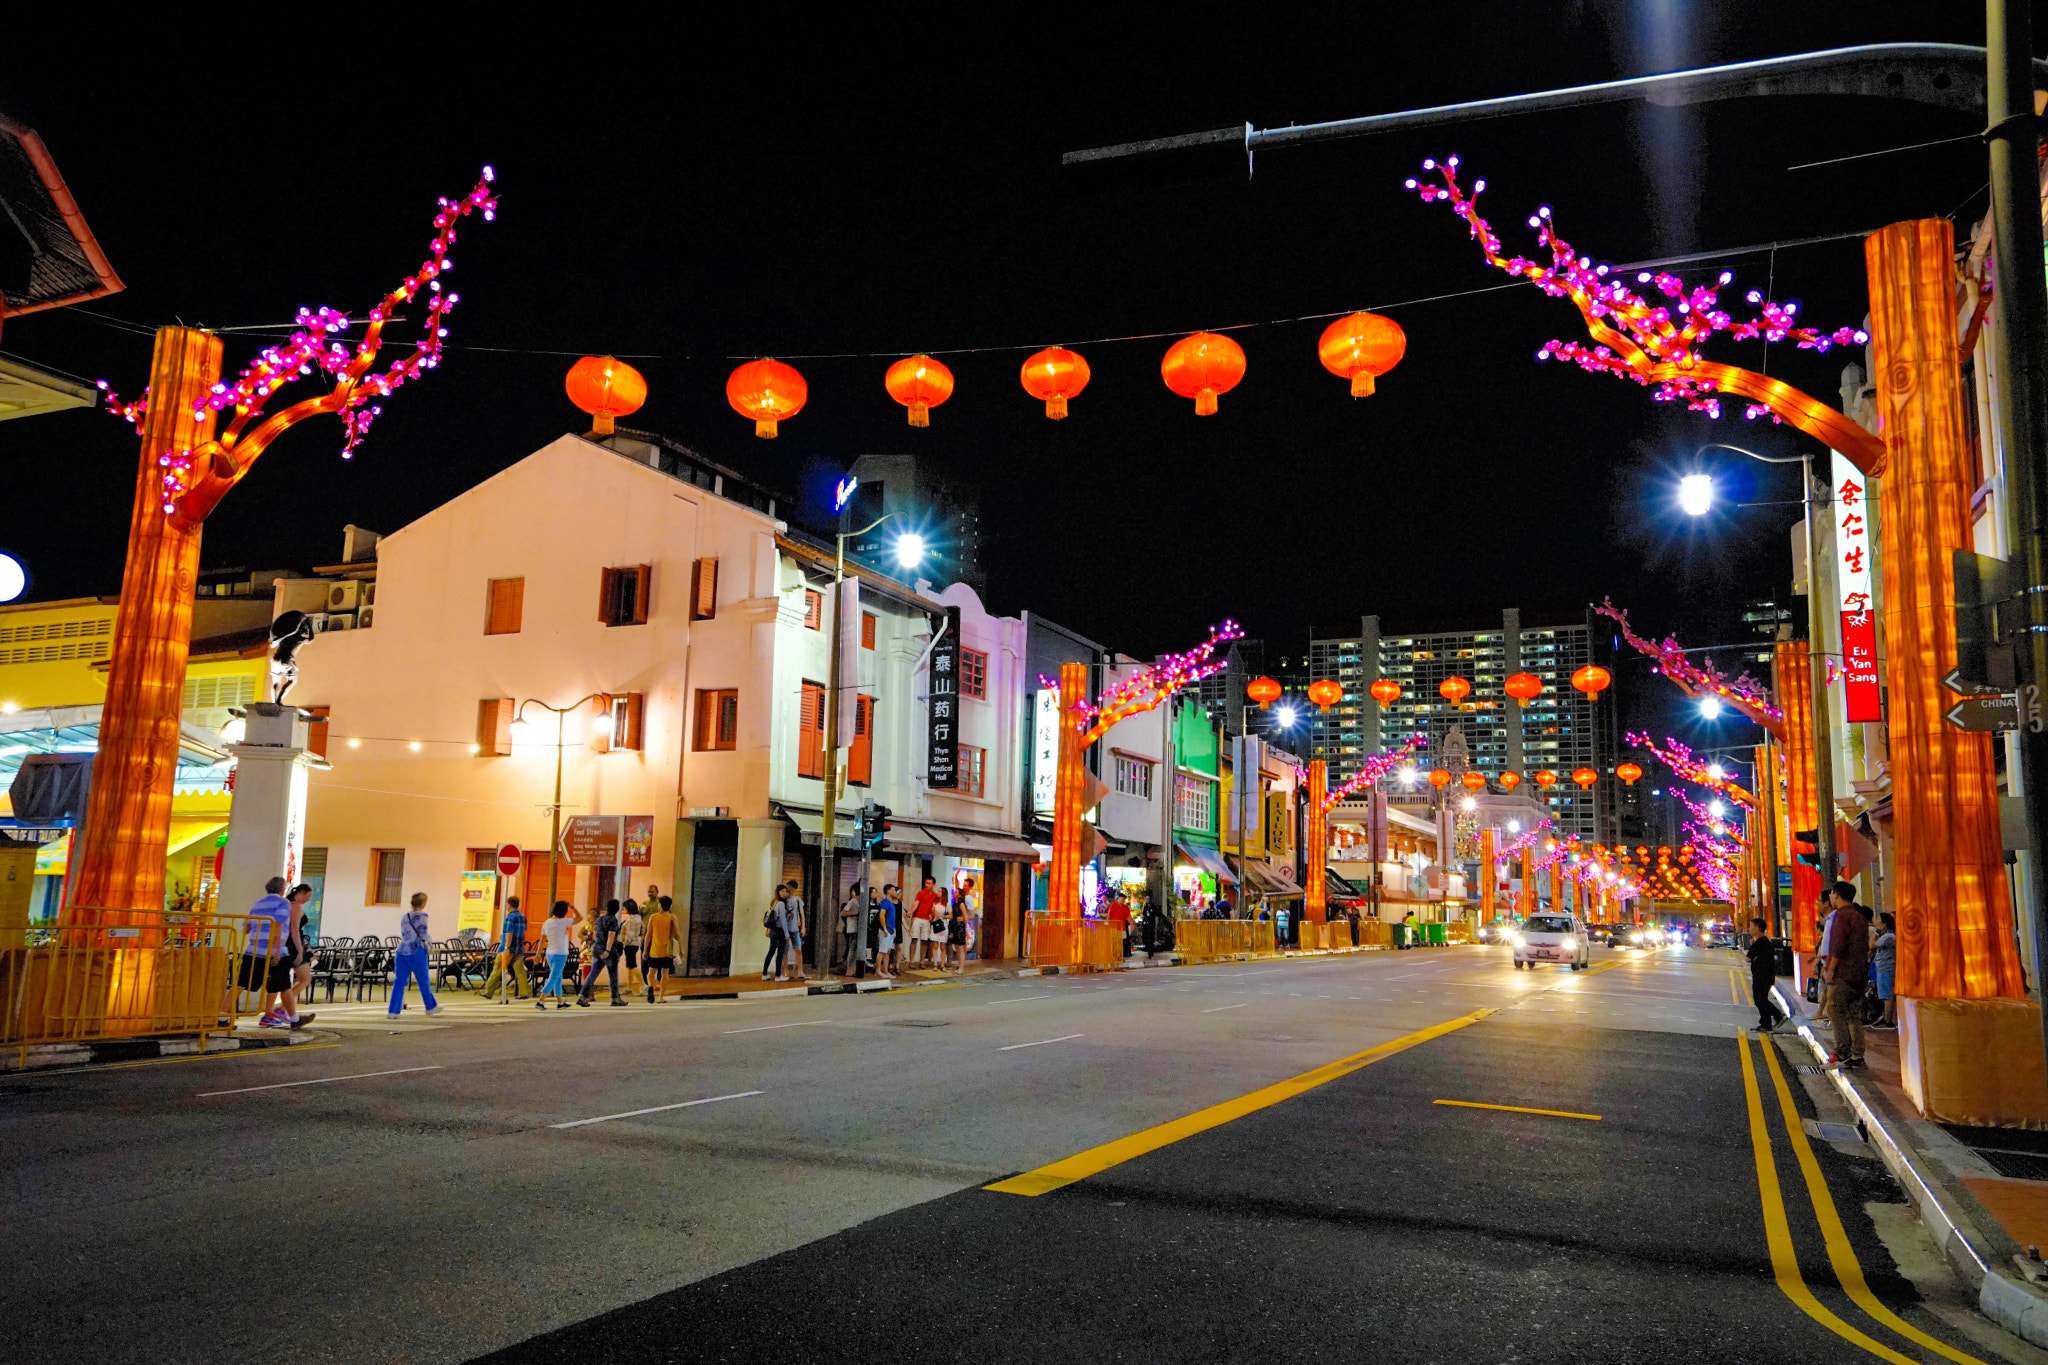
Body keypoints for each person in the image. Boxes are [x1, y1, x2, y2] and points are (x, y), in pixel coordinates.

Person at [223, 875, 295, 1028]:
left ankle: (222, 1016)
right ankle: (294, 1019)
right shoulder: (283, 903)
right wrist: (276, 950)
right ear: (282, 889)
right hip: (274, 952)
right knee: (284, 985)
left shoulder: (257, 903)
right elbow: (278, 925)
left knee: (240, 983)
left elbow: (247, 927)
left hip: (252, 951)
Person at [1819, 881, 1870, 1068]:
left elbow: (1839, 945)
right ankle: (1857, 1056)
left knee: (1834, 1010)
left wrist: (1831, 969)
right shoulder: (1859, 916)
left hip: (1843, 973)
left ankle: (1841, 1053)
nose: (1830, 898)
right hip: (1859, 973)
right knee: (1854, 1015)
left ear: (1837, 895)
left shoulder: (1841, 916)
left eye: (1831, 894)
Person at [389, 892, 444, 1019]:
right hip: (416, 950)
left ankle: (393, 1011)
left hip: (402, 950)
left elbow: (404, 933)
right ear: (424, 904)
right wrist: (430, 945)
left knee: (399, 981)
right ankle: (430, 1007)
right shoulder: (423, 916)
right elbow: (423, 934)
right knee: (423, 980)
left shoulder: (405, 917)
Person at [578, 899, 627, 1006]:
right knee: (613, 974)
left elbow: (596, 934)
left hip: (597, 948)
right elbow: (611, 936)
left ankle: (583, 995)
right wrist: (608, 950)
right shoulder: (613, 920)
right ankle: (615, 997)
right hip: (607, 950)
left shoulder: (601, 919)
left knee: (593, 973)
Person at [482, 895, 529, 1001]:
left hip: (508, 948)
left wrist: (507, 947)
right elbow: (522, 932)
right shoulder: (522, 917)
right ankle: (523, 993)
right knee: (520, 971)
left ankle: (488, 992)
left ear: (509, 904)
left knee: (498, 968)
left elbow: (509, 932)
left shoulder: (510, 917)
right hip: (519, 948)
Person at [1745, 916, 1787, 1033]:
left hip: (1761, 976)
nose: (1749, 929)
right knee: (1761, 999)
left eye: (1751, 926)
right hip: (1765, 976)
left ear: (1757, 928)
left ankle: (1775, 1015)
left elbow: (1748, 958)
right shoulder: (1765, 942)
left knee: (1759, 1000)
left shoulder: (1759, 943)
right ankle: (1766, 1023)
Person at [537, 902, 573, 1010]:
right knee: (553, 978)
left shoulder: (547, 923)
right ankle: (541, 1000)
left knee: (558, 977)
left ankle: (560, 1002)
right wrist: (573, 908)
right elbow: (579, 918)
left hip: (550, 953)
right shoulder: (563, 922)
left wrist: (538, 954)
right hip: (560, 953)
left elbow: (542, 940)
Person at [643, 895, 680, 1002]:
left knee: (651, 972)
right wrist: (680, 949)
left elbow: (648, 935)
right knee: (665, 973)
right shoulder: (672, 917)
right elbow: (678, 934)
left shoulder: (653, 917)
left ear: (660, 905)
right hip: (667, 950)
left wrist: (645, 950)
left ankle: (651, 986)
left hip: (655, 950)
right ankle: (661, 997)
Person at [1871, 911, 1897, 1030]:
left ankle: (1888, 1020)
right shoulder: (1887, 936)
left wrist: (1876, 932)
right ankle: (1885, 1018)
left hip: (1886, 968)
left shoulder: (1888, 937)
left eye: (1878, 920)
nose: (1876, 922)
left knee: (1887, 995)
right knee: (1884, 994)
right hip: (1882, 967)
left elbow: (1872, 945)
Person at [780, 885, 810, 983]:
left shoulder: (797, 900)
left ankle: (800, 971)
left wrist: (803, 927)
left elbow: (801, 914)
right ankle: (786, 971)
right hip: (785, 929)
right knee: (785, 951)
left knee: (798, 949)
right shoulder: (783, 901)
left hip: (795, 929)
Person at [910, 876, 941, 967]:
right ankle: (912, 960)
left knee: (924, 940)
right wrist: (911, 911)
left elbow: (935, 908)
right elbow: (916, 903)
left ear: (933, 885)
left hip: (927, 919)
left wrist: (933, 916)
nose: (927, 885)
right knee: (914, 939)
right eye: (926, 883)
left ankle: (922, 961)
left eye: (929, 883)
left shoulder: (935, 896)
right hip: (918, 917)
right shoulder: (921, 893)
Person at [617, 898, 645, 992]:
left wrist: (624, 941)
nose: (624, 910)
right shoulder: (638, 918)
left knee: (632, 966)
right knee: (629, 966)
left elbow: (630, 933)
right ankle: (629, 986)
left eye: (625, 908)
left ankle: (643, 984)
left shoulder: (631, 920)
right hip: (635, 943)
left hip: (630, 944)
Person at [762, 884, 790, 980]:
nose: (784, 893)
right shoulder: (781, 904)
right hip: (779, 931)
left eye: (786, 891)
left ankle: (764, 974)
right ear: (778, 892)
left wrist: (769, 929)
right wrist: (786, 934)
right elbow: (783, 920)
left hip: (773, 931)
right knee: (780, 953)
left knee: (771, 951)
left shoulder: (774, 903)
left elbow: (771, 917)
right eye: (782, 891)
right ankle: (778, 975)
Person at [839, 884, 865, 978]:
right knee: (852, 949)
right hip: (852, 928)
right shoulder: (853, 901)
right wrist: (855, 914)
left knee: (854, 949)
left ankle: (852, 968)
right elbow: (842, 913)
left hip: (856, 928)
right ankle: (849, 969)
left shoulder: (858, 901)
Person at [878, 884, 901, 976]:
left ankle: (885, 971)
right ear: (888, 891)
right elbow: (881, 915)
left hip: (891, 929)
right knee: (882, 951)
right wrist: (884, 929)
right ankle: (878, 970)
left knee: (887, 952)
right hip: (886, 929)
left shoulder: (892, 903)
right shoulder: (885, 902)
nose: (895, 892)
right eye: (893, 890)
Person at [947, 887, 970, 972]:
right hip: (955, 926)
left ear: (960, 895)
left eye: (956, 892)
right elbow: (952, 915)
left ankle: (961, 968)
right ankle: (959, 966)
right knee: (957, 948)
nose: (954, 892)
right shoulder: (955, 904)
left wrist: (963, 921)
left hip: (960, 927)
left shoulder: (961, 904)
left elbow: (965, 917)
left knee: (960, 948)